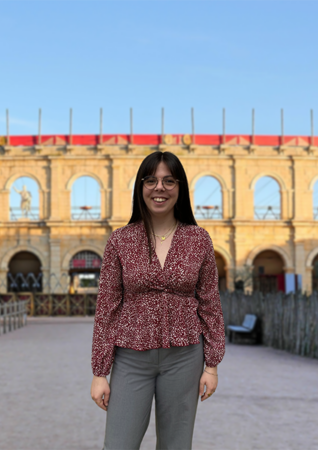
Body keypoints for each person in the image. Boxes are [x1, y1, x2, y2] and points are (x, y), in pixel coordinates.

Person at [90, 151, 225, 450]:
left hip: (185, 357)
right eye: (150, 180)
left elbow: (210, 303)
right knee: (118, 444)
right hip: (130, 358)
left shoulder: (198, 239)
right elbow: (107, 308)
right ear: (140, 188)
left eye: (168, 181)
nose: (159, 188)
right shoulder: (120, 240)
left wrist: (212, 365)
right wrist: (100, 372)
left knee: (176, 445)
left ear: (180, 188)